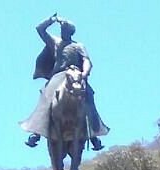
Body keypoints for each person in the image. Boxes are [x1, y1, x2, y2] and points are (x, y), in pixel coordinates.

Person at [22, 13, 108, 151]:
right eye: (61, 29)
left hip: (76, 75)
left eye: (64, 30)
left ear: (69, 32)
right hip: (58, 75)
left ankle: (93, 133)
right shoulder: (55, 42)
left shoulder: (78, 46)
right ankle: (37, 131)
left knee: (89, 95)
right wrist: (51, 20)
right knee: (46, 94)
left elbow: (87, 60)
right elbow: (40, 29)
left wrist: (84, 73)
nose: (62, 32)